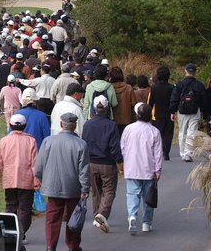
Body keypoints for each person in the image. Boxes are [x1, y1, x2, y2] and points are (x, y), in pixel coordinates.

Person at [35, 113, 90, 251]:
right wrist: (85, 188)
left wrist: (40, 178)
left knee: (52, 218)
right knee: (73, 218)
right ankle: (73, 245)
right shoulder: (81, 144)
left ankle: (50, 246)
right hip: (73, 187)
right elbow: (83, 170)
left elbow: (39, 165)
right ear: (75, 126)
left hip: (53, 186)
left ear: (61, 125)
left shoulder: (48, 141)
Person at [0, 114, 39, 248]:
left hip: (9, 179)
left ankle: (10, 233)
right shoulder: (31, 141)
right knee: (25, 208)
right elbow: (35, 163)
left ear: (11, 126)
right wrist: (37, 180)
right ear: (24, 126)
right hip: (27, 180)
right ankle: (21, 234)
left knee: (10, 206)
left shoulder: (4, 141)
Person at [82, 95, 123, 233]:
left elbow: (84, 143)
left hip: (91, 162)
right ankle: (102, 214)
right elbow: (115, 146)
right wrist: (120, 162)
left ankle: (96, 216)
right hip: (107, 163)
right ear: (107, 108)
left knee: (96, 191)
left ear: (94, 108)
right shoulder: (111, 125)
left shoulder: (87, 124)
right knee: (109, 190)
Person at [121, 103, 163, 235]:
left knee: (132, 195)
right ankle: (146, 223)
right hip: (149, 169)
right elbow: (158, 153)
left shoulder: (128, 129)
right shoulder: (154, 131)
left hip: (132, 168)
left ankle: (132, 216)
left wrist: (125, 161)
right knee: (148, 197)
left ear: (137, 115)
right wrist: (158, 170)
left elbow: (122, 147)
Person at [170, 63, 207, 162]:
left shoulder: (179, 84)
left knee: (182, 132)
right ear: (195, 73)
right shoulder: (199, 85)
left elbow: (174, 98)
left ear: (185, 71)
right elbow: (204, 99)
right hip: (195, 111)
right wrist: (203, 111)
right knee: (192, 132)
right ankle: (188, 153)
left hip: (181, 111)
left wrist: (172, 111)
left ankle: (182, 153)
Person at [148, 66, 175, 160]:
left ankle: (158, 152)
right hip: (169, 114)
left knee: (158, 134)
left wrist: (148, 113)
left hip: (157, 115)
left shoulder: (154, 87)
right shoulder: (171, 87)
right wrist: (173, 111)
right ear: (168, 75)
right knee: (168, 134)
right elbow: (173, 101)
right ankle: (166, 153)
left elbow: (151, 102)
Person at [110, 66, 137, 136]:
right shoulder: (129, 88)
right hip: (127, 119)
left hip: (113, 120)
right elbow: (134, 104)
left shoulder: (109, 88)